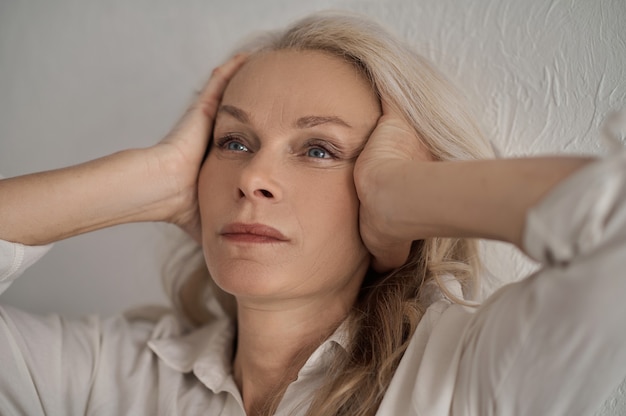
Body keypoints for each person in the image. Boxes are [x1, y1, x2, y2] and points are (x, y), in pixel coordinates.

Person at [0, 10, 624, 416]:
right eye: (234, 143)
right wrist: (150, 181)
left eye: (319, 149)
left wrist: (405, 196)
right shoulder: (105, 379)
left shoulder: (466, 380)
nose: (253, 179)